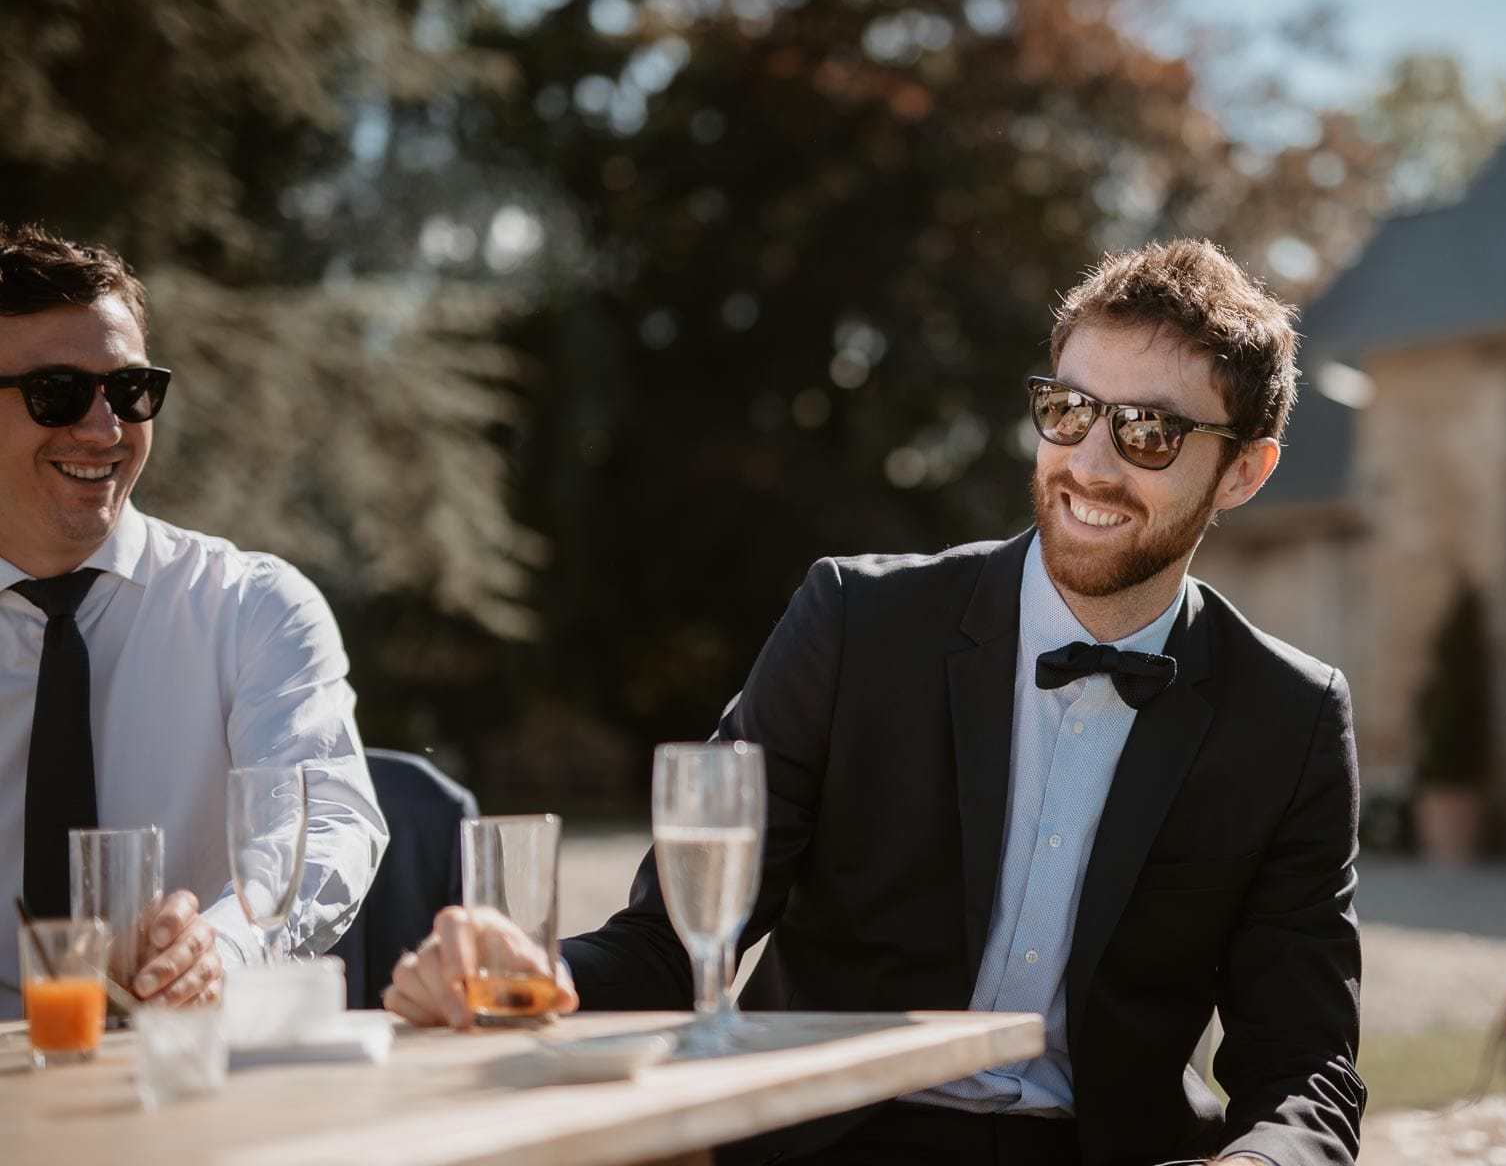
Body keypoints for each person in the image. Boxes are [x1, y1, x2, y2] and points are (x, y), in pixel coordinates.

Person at [389, 240, 1365, 1165]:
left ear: (1243, 468)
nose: (1091, 464)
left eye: (1149, 431)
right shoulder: (854, 622)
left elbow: (1304, 1061)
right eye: (1069, 411)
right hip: (829, 1142)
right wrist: (535, 974)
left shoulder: (1290, 717)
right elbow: (669, 944)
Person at [0, 223, 388, 1017]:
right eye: (57, 394)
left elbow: (326, 818)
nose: (104, 430)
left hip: (182, 1065)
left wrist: (224, 944)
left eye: (130, 390)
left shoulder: (252, 608)